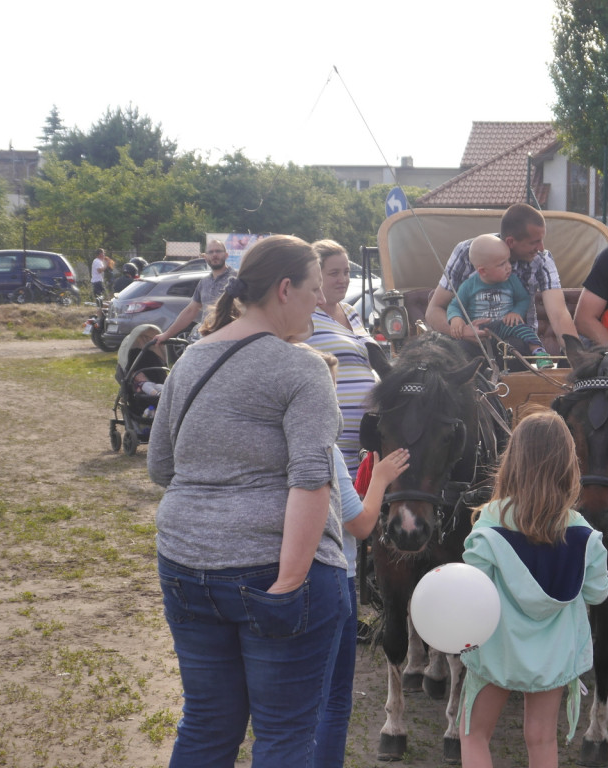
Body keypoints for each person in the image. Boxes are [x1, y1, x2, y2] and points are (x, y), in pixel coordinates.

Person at [147, 235, 350, 766]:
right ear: (285, 289)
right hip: (273, 573)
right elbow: (311, 480)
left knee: (207, 726)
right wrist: (288, 582)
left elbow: (160, 467)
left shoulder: (191, 358)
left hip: (185, 565)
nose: (320, 302)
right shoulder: (302, 367)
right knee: (284, 735)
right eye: (312, 290)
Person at [458, 410, 608, 768]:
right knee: (542, 739)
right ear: (568, 464)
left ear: (512, 461)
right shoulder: (585, 535)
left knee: (475, 734)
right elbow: (597, 593)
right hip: (552, 656)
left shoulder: (489, 525)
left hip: (495, 650)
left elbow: (471, 591)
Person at [309, 346, 410, 768]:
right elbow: (362, 523)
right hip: (334, 576)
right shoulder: (326, 451)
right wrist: (382, 478)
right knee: (334, 697)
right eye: (332, 395)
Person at [425, 203, 578, 354]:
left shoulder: (542, 259)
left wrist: (577, 357)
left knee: (517, 346)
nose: (542, 248)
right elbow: (433, 310)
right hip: (468, 343)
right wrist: (462, 331)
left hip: (517, 343)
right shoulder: (466, 252)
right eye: (534, 242)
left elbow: (558, 314)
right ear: (511, 242)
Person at [308, 239, 378, 479]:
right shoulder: (305, 316)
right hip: (332, 438)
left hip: (368, 441)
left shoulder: (351, 311)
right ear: (315, 276)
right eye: (334, 273)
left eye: (346, 272)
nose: (343, 279)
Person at [447, 234, 553, 368]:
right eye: (502, 264)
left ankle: (539, 353)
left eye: (508, 261)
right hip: (478, 329)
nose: (509, 267)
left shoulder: (512, 281)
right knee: (458, 345)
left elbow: (523, 299)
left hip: (505, 325)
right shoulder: (468, 286)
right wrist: (456, 318)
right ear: (483, 271)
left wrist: (516, 312)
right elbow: (455, 305)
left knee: (523, 329)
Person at [153, 240, 237, 345]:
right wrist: (166, 335)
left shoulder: (237, 279)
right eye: (210, 252)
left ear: (226, 255)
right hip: (208, 341)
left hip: (231, 342)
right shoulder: (204, 282)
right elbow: (190, 311)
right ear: (205, 257)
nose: (214, 254)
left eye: (218, 251)